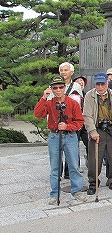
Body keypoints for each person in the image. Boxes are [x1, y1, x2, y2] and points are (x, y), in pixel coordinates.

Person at [34, 75, 86, 204]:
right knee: (55, 167)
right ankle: (54, 194)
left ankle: (76, 191)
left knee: (74, 164)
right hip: (54, 136)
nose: (58, 90)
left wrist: (67, 126)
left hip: (70, 136)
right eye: (55, 87)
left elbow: (80, 122)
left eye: (61, 87)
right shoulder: (49, 102)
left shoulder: (72, 103)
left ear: (64, 87)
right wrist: (44, 97)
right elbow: (38, 114)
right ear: (51, 89)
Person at [83, 72, 112, 195]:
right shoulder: (89, 96)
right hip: (97, 131)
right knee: (94, 160)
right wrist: (92, 131)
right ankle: (93, 183)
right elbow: (87, 116)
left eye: (103, 84)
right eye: (98, 84)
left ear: (107, 83)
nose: (100, 87)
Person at [56, 62, 83, 179]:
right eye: (61, 70)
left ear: (71, 72)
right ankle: (58, 172)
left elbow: (79, 104)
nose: (63, 72)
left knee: (72, 148)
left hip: (71, 122)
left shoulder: (76, 87)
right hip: (57, 122)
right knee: (57, 149)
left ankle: (69, 171)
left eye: (65, 70)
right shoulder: (55, 85)